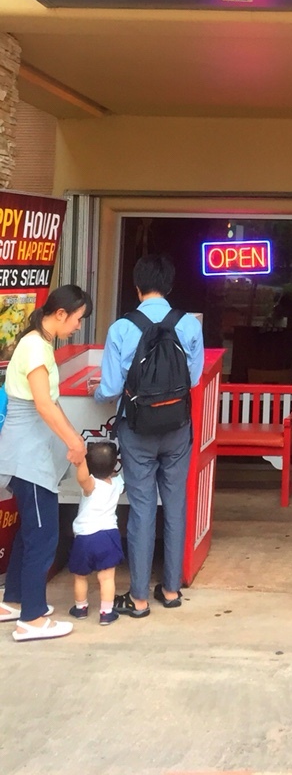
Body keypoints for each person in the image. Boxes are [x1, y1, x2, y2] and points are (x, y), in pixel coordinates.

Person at [94, 254, 204, 617]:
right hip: (177, 428)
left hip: (137, 428)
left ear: (137, 286)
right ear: (169, 285)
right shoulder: (189, 325)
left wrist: (98, 392)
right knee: (175, 503)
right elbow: (194, 378)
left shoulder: (121, 328)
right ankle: (170, 590)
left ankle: (138, 598)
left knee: (141, 508)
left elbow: (111, 388)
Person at [0, 284, 92, 642]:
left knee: (31, 532)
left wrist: (74, 438)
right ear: (60, 314)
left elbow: (52, 404)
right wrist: (73, 441)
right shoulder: (36, 347)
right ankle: (33, 619)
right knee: (44, 536)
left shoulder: (38, 343)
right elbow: (42, 404)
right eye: (77, 319)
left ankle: (15, 602)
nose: (78, 326)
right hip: (29, 457)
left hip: (29, 453)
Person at [67, 440, 124, 626]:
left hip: (85, 537)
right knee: (107, 577)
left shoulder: (91, 485)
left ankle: (80, 608)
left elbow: (83, 479)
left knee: (80, 576)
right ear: (114, 465)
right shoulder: (117, 482)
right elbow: (117, 476)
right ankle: (106, 613)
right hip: (108, 536)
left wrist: (80, 462)